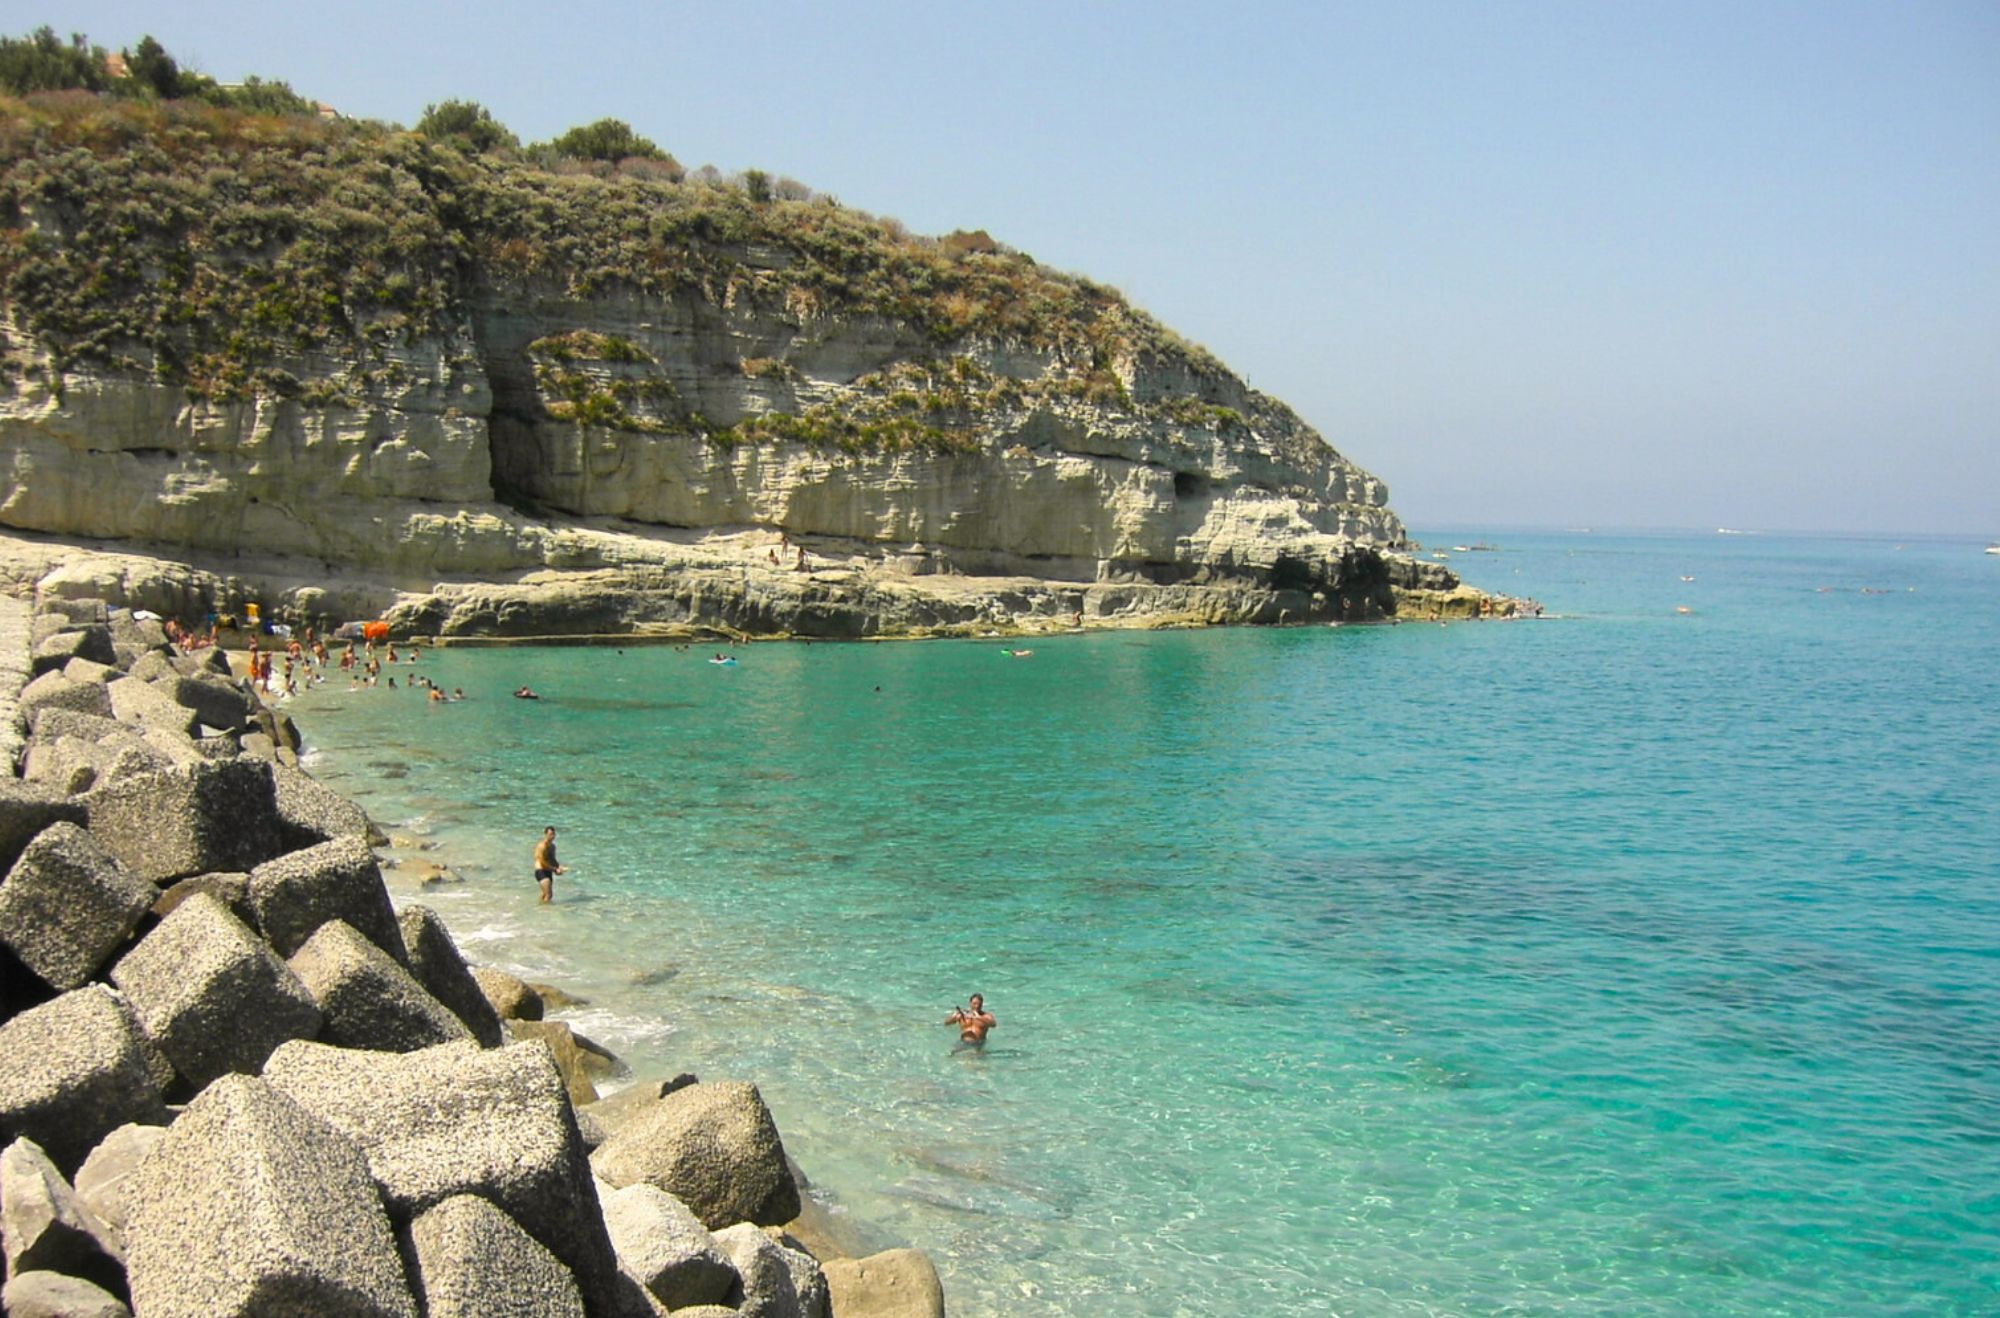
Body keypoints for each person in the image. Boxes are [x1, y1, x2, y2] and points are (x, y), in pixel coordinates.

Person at [534, 826, 566, 904]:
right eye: (550, 834)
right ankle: (544, 912)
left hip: (548, 871)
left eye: (553, 834)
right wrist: (554, 869)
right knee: (549, 895)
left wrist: (559, 867)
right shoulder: (542, 846)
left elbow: (553, 859)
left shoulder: (552, 847)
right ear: (545, 834)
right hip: (541, 871)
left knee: (545, 894)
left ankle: (538, 907)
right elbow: (542, 862)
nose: (552, 836)